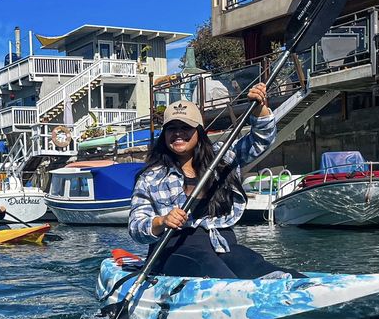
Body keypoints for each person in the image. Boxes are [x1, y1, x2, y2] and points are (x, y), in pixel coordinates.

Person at [129, 92, 302, 280]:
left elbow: (260, 141)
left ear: (199, 131)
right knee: (213, 268)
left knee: (254, 264)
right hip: (174, 250)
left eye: (185, 127)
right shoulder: (151, 177)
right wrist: (161, 221)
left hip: (222, 245)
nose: (178, 133)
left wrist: (260, 108)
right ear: (164, 135)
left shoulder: (222, 158)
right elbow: (136, 227)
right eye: (171, 128)